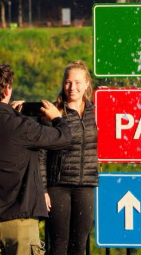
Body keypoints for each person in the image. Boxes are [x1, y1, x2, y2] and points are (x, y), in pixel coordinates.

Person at [0, 62, 72, 255]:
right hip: (21, 219)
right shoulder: (22, 127)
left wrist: (11, 115)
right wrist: (56, 118)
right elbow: (64, 138)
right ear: (7, 89)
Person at [42, 60, 99, 255]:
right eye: (68, 82)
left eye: (77, 82)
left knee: (79, 246)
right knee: (58, 246)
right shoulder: (54, 113)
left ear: (86, 84)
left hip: (86, 185)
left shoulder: (96, 112)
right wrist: (43, 190)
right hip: (58, 186)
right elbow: (42, 154)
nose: (72, 87)